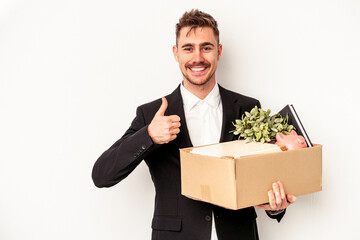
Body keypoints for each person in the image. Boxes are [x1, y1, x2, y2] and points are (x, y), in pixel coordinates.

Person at [92, 9, 296, 240]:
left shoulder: (249, 108)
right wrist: (148, 135)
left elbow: (265, 179)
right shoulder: (151, 114)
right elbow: (102, 175)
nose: (197, 58)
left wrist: (276, 205)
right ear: (176, 53)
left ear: (218, 52)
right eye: (188, 48)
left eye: (206, 47)